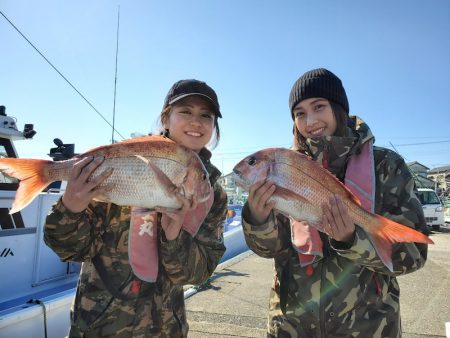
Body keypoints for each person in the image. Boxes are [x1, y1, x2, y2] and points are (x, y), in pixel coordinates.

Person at [242, 68, 429, 337]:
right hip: (291, 327)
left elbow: (412, 256)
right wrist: (257, 219)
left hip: (368, 327)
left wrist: (351, 239)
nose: (310, 121)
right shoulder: (283, 169)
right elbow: (269, 250)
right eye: (300, 113)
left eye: (319, 107)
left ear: (339, 108)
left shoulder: (386, 165)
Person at [44, 79, 228, 338]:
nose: (196, 122)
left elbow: (197, 273)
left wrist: (174, 237)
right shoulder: (126, 160)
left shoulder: (212, 192)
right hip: (100, 327)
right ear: (166, 118)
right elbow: (70, 250)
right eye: (185, 111)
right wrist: (71, 207)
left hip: (166, 329)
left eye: (206, 115)